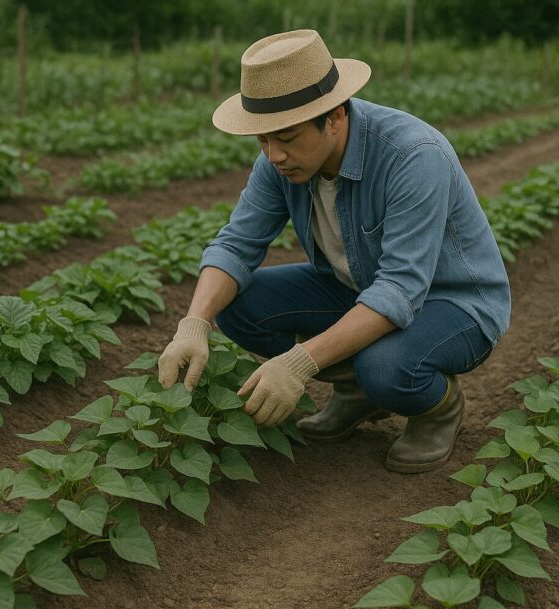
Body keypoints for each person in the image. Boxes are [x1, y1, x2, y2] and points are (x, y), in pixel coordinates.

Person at [157, 29, 510, 473]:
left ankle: (438, 408)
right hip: (359, 285)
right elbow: (236, 244)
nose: (274, 155)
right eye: (263, 140)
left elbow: (400, 289)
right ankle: (358, 392)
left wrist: (300, 362)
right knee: (238, 306)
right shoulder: (278, 161)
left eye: (287, 137)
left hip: (454, 302)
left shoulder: (413, 156)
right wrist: (193, 324)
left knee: (385, 367)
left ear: (336, 117)